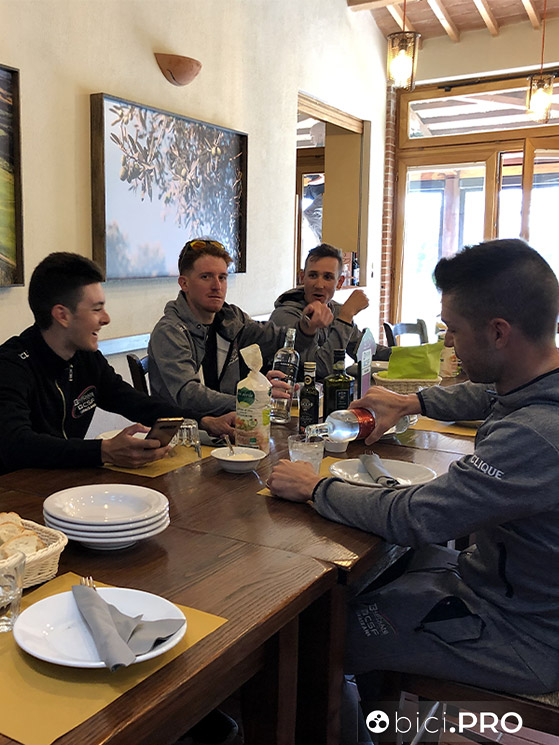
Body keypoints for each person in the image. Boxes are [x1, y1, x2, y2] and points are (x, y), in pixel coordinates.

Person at [269, 239, 559, 740]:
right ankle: (384, 724)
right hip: (504, 589)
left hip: (522, 633)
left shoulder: (534, 436)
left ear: (498, 332)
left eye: (453, 331)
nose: (450, 346)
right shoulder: (537, 384)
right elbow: (488, 395)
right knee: (374, 580)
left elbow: (416, 516)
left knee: (316, 639)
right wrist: (412, 402)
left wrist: (316, 487)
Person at [0, 252, 233, 474]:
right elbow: (16, 444)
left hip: (64, 482)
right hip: (15, 492)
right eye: (97, 309)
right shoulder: (10, 366)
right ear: (62, 315)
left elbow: (134, 402)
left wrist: (204, 421)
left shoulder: (85, 357)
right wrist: (103, 451)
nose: (106, 318)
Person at [148, 238, 334, 431]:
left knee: (310, 438)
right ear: (184, 283)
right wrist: (253, 398)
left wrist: (307, 326)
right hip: (185, 433)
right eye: (206, 277)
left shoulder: (231, 318)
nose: (217, 286)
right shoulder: (169, 331)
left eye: (222, 277)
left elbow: (278, 340)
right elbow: (189, 396)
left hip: (234, 427)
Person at [268, 243, 390, 381]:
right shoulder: (284, 315)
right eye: (313, 275)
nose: (319, 285)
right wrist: (345, 318)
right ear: (302, 277)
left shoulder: (335, 310)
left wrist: (407, 355)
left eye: (327, 277)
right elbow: (320, 369)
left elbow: (366, 351)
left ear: (339, 282)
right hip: (293, 393)